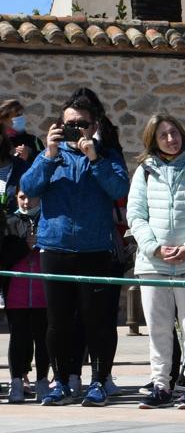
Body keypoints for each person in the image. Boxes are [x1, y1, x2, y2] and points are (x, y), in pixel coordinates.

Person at [20, 92, 131, 406]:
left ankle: (98, 381)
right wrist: (48, 154)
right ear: (59, 124)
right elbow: (28, 188)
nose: (76, 129)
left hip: (94, 249)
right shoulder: (51, 156)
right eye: (70, 123)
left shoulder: (106, 154)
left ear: (94, 125)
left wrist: (94, 158)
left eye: (82, 124)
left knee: (96, 321)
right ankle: (61, 382)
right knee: (56, 322)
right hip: (55, 248)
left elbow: (119, 189)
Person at [127, 114, 185, 409]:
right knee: (158, 326)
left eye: (174, 133)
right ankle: (161, 384)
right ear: (153, 140)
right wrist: (154, 248)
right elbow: (136, 214)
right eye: (164, 135)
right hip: (154, 265)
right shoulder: (144, 171)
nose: (171, 139)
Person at [3, 190, 48, 401]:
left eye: (32, 196)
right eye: (22, 197)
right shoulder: (9, 221)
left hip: (42, 291)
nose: (27, 202)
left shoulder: (48, 218)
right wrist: (25, 246)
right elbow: (4, 256)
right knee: (18, 338)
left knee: (43, 338)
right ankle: (16, 382)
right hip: (16, 291)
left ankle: (42, 382)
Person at [0, 99, 36, 203]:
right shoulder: (4, 139)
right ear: (4, 118)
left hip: (16, 198)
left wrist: (28, 156)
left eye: (21, 114)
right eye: (16, 115)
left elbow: (40, 165)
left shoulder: (32, 140)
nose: (19, 118)